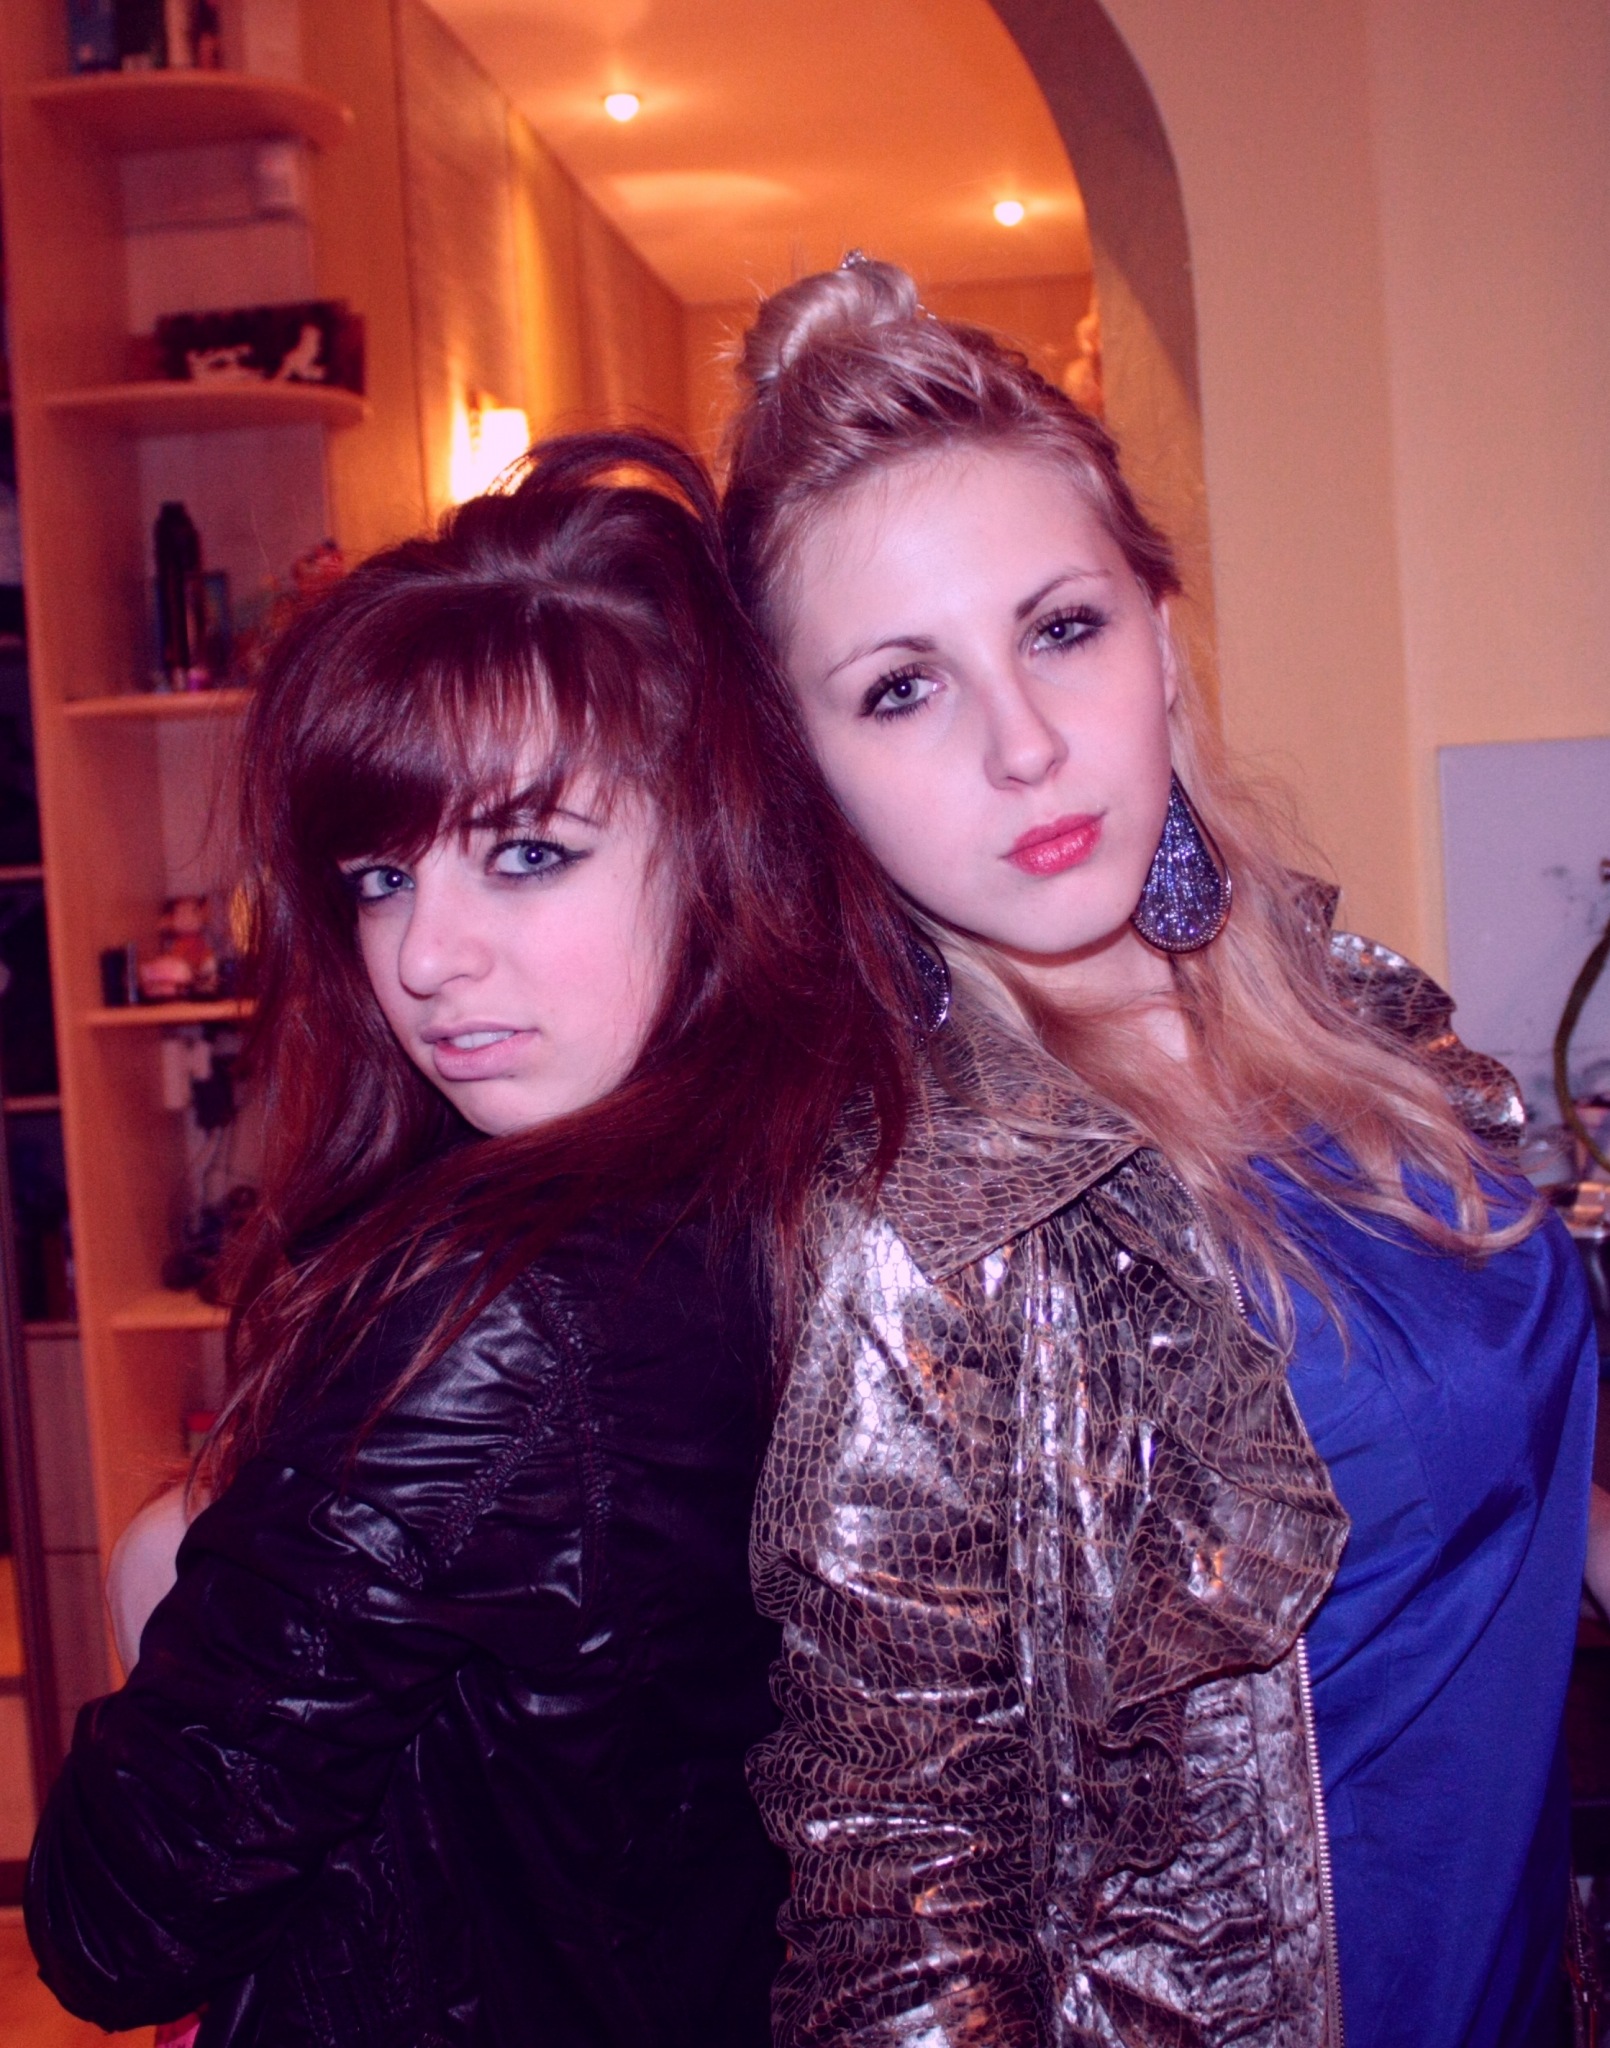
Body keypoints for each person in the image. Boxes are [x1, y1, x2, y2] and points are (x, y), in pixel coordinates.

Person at [721, 257, 1599, 2047]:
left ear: (1159, 630)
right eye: (899, 689)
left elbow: (1489, 1483)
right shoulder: (919, 1234)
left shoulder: (1363, 1022)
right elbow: (900, 1924)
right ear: (806, 769)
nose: (1023, 744)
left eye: (1061, 628)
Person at [25, 433, 919, 2048]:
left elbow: (110, 1921)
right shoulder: (802, 1186)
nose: (426, 956)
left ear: (719, 846)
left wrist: (174, 1557)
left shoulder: (504, 1315)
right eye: (380, 876)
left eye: (527, 855)